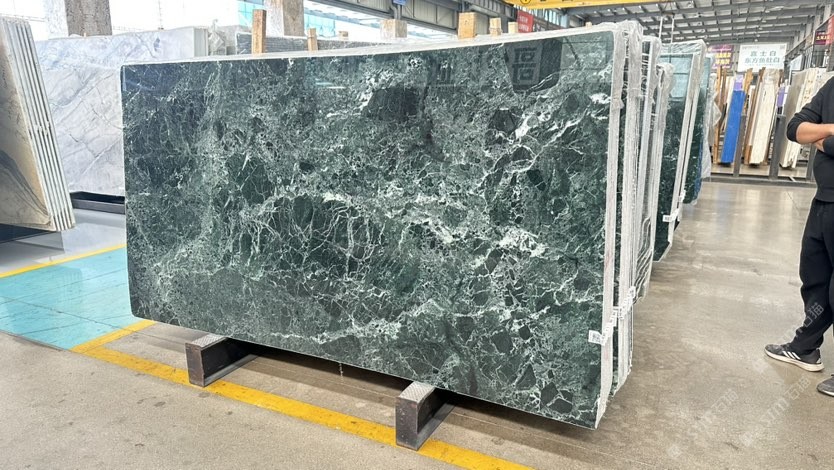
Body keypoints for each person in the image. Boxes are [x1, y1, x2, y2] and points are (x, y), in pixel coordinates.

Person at [765, 76, 834, 396]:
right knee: (815, 277)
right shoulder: (832, 87)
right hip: (825, 200)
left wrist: (821, 138)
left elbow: (815, 137)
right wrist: (830, 130)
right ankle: (805, 347)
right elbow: (795, 128)